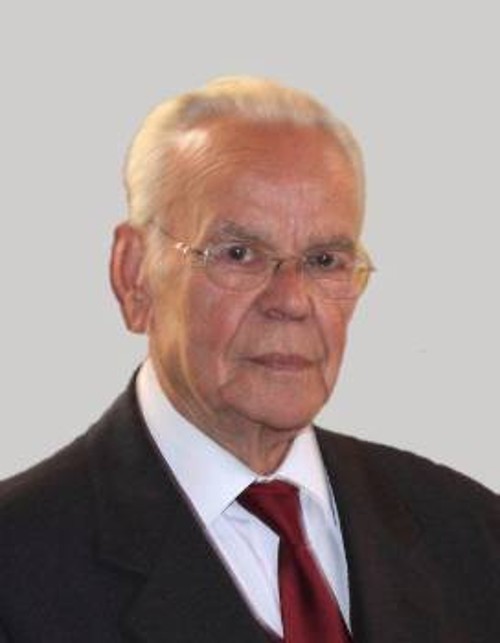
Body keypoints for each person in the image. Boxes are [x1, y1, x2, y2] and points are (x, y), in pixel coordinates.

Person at [0, 77, 498, 643]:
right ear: (134, 274)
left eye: (325, 260)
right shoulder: (17, 569)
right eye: (239, 254)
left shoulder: (472, 536)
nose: (291, 301)